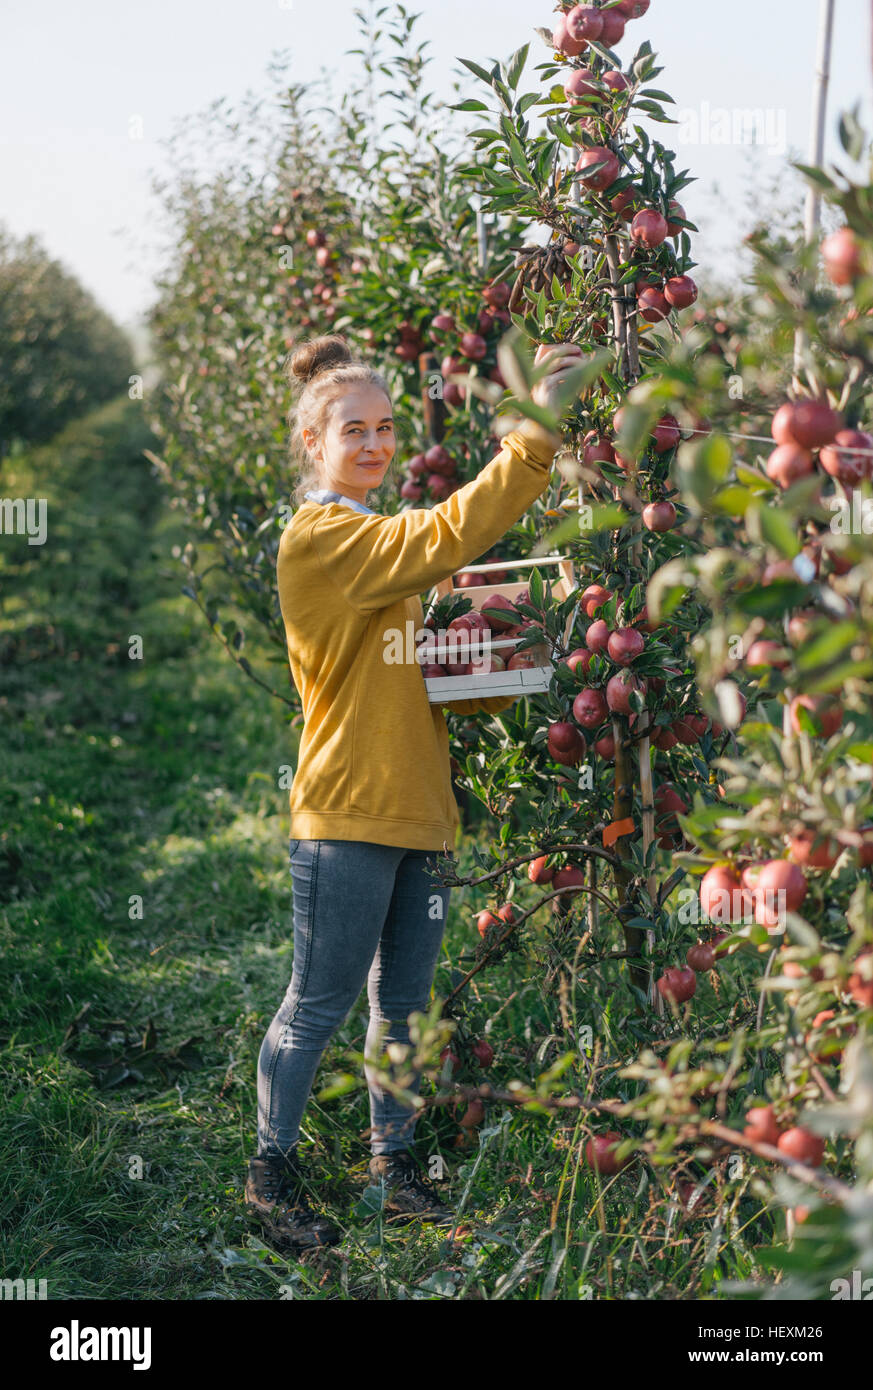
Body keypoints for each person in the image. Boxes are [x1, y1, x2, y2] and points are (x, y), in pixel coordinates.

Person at [245, 332, 583, 1252]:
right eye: (353, 429)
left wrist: (475, 651)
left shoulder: (372, 547)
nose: (377, 444)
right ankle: (269, 1176)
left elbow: (401, 664)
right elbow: (438, 534)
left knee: (404, 1009)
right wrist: (532, 440)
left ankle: (394, 1175)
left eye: (387, 427)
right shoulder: (322, 539)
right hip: (348, 808)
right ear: (313, 443)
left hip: (419, 808)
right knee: (317, 1000)